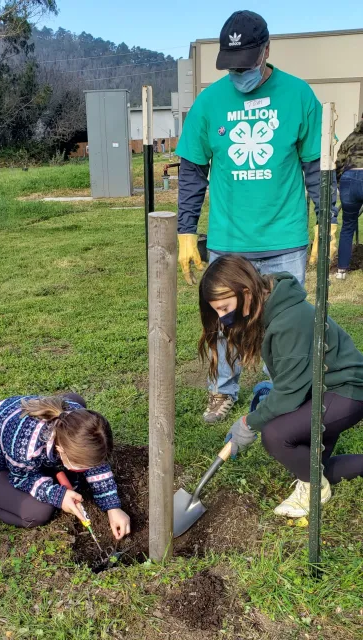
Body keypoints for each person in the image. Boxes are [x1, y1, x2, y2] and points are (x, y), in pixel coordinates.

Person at [176, 10, 338, 424]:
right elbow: (193, 171)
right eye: (231, 66)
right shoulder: (210, 102)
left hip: (285, 238)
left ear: (267, 51)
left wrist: (328, 220)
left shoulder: (299, 96)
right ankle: (222, 390)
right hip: (230, 239)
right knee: (224, 319)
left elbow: (316, 168)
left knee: (283, 324)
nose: (238, 74)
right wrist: (185, 232)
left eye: (246, 65)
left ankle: (279, 391)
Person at [198, 254, 363, 517]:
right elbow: (292, 375)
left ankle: (314, 490)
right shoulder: (271, 305)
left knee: (276, 435)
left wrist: (248, 423)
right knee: (313, 465)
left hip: (346, 391)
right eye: (217, 310)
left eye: (225, 308)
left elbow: (287, 394)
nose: (222, 317)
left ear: (247, 292)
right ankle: (315, 479)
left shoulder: (289, 320)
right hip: (323, 388)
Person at [0, 392, 131, 539]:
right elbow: (22, 478)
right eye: (82, 467)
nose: (88, 471)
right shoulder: (24, 447)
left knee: (75, 398)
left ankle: (57, 466)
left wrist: (113, 507)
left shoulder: (78, 418)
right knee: (37, 513)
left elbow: (95, 461)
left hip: (17, 452)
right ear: (61, 449)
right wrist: (58, 496)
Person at [335, 114, 363, 280]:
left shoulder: (351, 138)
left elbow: (339, 162)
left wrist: (340, 183)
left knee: (348, 225)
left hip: (349, 179)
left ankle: (341, 271)